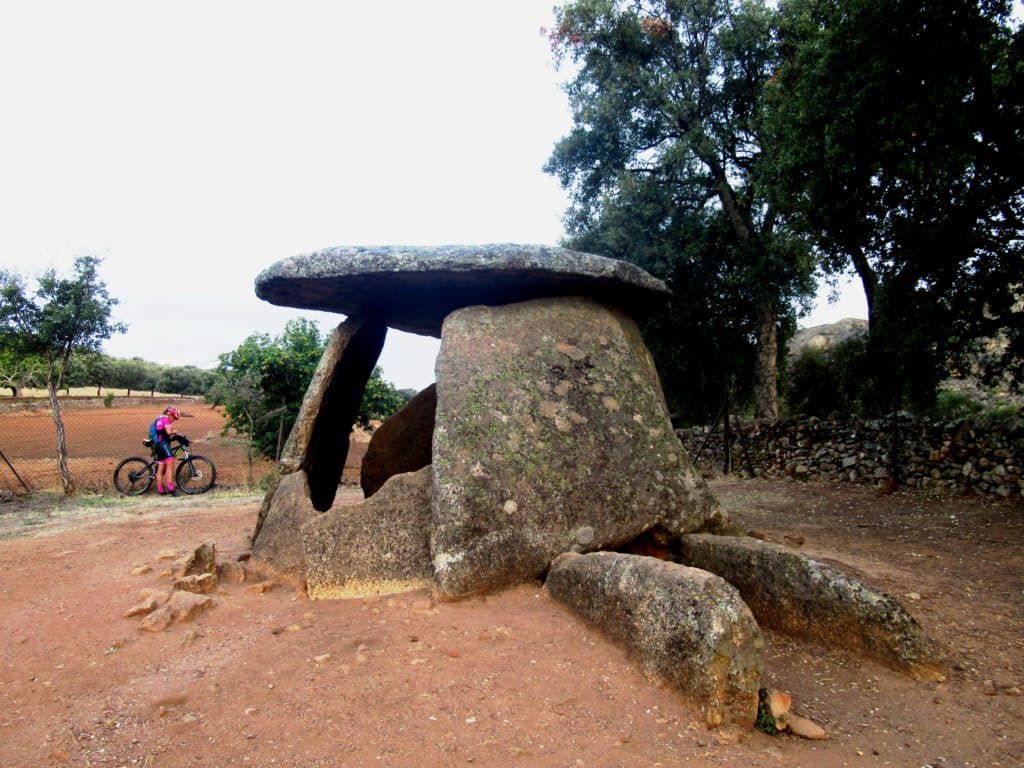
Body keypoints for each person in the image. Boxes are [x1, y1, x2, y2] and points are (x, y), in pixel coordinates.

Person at [151, 406, 181, 495]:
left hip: (157, 444)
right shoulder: (165, 420)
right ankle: (171, 488)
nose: (173, 420)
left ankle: (160, 490)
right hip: (162, 444)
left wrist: (172, 430)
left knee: (160, 467)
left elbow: (165, 431)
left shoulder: (160, 419)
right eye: (173, 417)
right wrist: (175, 431)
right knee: (170, 463)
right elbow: (168, 432)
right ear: (169, 414)